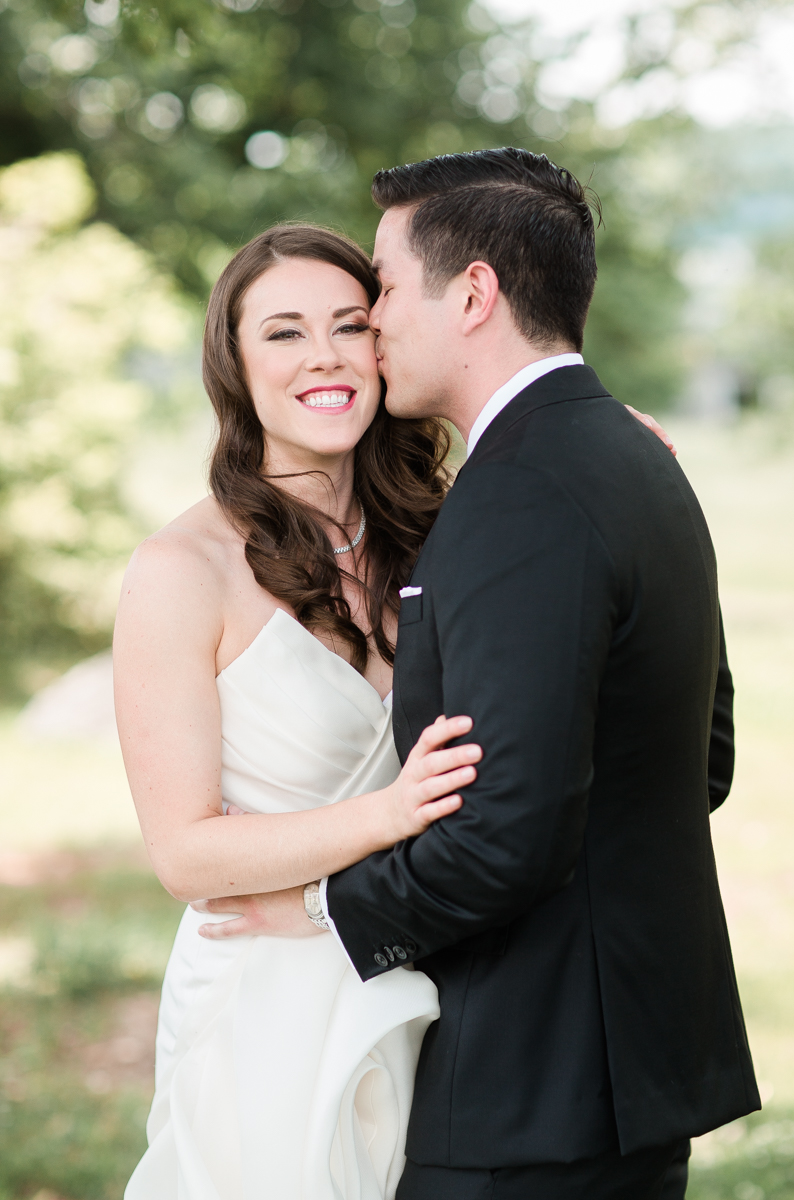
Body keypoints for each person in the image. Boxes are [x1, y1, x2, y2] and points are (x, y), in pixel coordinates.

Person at [209, 149, 759, 1200]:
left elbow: (507, 832)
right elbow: (704, 759)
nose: (370, 319)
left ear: (471, 293)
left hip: (530, 1086)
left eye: (380, 284)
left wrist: (328, 908)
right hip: (617, 1067)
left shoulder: (521, 493)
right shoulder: (630, 455)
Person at [115, 225, 486, 1200]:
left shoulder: (442, 531)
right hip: (266, 999)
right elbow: (184, 856)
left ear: (383, 345)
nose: (322, 355)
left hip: (428, 972)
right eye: (282, 333)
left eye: (348, 324)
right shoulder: (180, 572)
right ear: (235, 365)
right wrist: (389, 814)